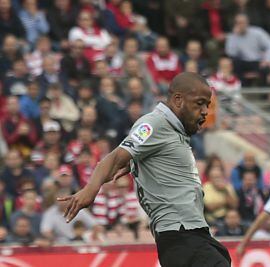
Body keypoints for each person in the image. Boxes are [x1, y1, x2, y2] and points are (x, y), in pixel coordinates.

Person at [57, 72, 231, 266]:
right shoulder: (153, 124)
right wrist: (90, 190)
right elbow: (115, 157)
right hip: (180, 233)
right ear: (178, 100)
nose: (205, 111)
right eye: (199, 103)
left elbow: (146, 157)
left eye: (207, 104)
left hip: (192, 232)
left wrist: (133, 164)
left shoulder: (174, 130)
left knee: (223, 257)